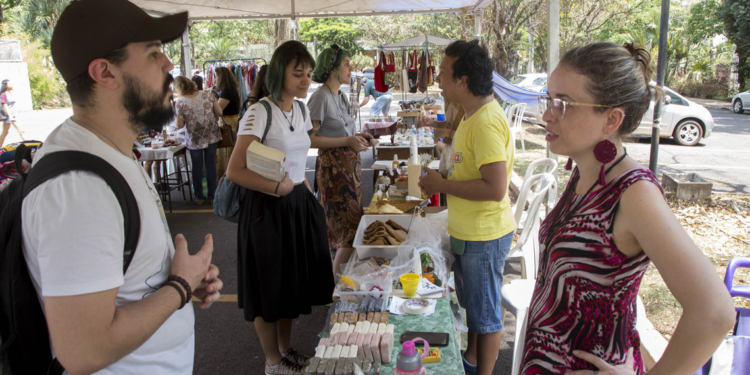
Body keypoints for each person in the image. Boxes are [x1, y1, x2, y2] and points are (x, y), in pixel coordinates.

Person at [20, 0, 223, 373]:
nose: (168, 66)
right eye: (153, 53)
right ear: (105, 73)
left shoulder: (109, 152)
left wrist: (172, 281)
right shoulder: (79, 190)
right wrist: (179, 286)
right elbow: (85, 350)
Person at [519, 42, 736, 375]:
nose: (547, 113)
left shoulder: (634, 193)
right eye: (548, 99)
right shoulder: (587, 172)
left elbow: (715, 312)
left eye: (562, 103)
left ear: (611, 119)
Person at [227, 40, 334, 375]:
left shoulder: (300, 110)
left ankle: (285, 351)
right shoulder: (260, 111)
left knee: (290, 285)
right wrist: (278, 186)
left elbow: (301, 150)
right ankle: (272, 362)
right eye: (297, 73)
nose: (306, 80)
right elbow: (235, 170)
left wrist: (299, 187)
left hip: (297, 204)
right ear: (279, 73)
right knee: (267, 287)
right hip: (267, 210)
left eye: (308, 74)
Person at [418, 40, 515, 375]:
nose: (438, 79)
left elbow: (495, 187)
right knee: (474, 309)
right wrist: (443, 175)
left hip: (484, 236)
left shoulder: (486, 121)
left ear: (462, 80)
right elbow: (467, 169)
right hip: (467, 232)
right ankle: (471, 362)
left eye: (443, 73)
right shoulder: (472, 117)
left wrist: (442, 185)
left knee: (485, 317)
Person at [307, 44, 373, 275]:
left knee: (350, 227)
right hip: (333, 172)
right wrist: (347, 141)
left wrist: (358, 138)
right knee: (344, 229)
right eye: (346, 63)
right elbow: (310, 140)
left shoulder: (341, 97)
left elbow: (344, 133)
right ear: (332, 67)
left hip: (349, 172)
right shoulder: (320, 97)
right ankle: (334, 282)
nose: (351, 67)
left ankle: (336, 280)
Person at [173, 75, 223, 205]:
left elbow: (179, 125)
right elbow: (219, 112)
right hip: (211, 134)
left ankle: (199, 196)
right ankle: (213, 196)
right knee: (211, 164)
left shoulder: (180, 102)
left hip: (194, 138)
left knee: (196, 166)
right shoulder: (208, 94)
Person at [214, 66, 241, 179]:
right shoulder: (231, 90)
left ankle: (226, 179)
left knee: (226, 154)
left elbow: (218, 110)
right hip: (232, 122)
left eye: (216, 77)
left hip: (228, 125)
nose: (215, 79)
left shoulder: (227, 92)